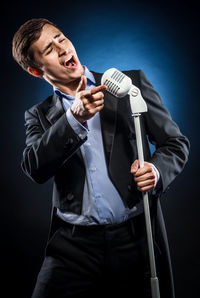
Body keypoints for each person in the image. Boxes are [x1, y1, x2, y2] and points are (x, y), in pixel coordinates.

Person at [12, 18, 190, 298]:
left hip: (135, 238)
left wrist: (155, 171)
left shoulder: (131, 84)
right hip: (72, 247)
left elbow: (175, 143)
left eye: (60, 37)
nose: (61, 48)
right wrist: (73, 119)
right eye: (48, 49)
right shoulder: (38, 115)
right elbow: (34, 167)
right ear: (36, 71)